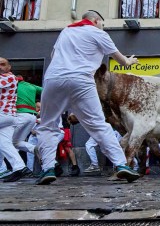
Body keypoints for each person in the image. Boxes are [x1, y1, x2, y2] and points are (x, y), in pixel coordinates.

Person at [35, 10, 141, 185]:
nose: (102, 26)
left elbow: (54, 56)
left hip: (54, 79)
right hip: (81, 81)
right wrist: (130, 61)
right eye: (102, 23)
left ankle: (48, 168)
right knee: (98, 125)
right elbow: (121, 60)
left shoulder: (66, 31)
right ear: (96, 20)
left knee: (47, 125)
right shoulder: (98, 33)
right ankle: (121, 165)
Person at [0, 57, 33, 182]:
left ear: (9, 68)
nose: (0, 67)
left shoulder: (9, 77)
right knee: (4, 143)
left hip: (3, 115)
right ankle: (20, 167)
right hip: (8, 118)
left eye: (2, 64)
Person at [11, 75, 41, 167]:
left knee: (5, 142)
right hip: (32, 117)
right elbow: (46, 91)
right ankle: (34, 149)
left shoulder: (12, 85)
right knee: (17, 142)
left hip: (20, 115)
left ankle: (18, 167)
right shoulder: (31, 86)